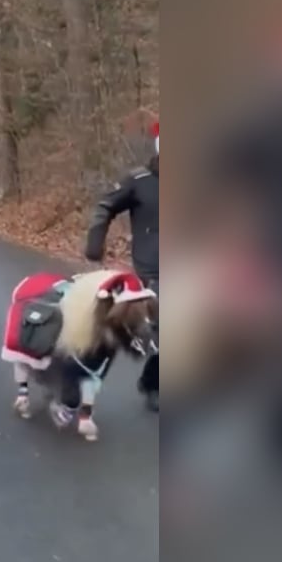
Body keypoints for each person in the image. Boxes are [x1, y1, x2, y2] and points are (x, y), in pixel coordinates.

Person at [85, 121, 160, 412]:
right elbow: (105, 206)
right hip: (153, 268)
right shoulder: (138, 181)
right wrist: (95, 243)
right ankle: (154, 383)